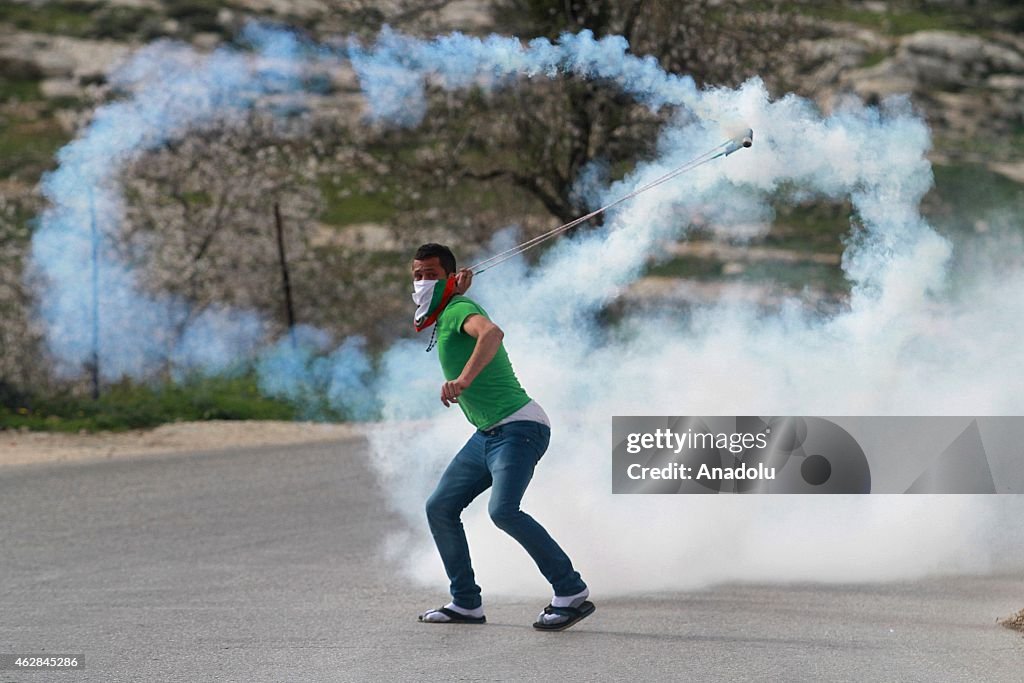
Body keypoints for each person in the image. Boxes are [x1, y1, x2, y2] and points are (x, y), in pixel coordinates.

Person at [410, 243, 594, 631]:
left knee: (503, 511)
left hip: (520, 428)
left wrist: (462, 380)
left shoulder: (460, 310)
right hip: (487, 435)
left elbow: (492, 334)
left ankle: (571, 591)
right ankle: (466, 603)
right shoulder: (448, 311)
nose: (423, 281)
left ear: (449, 276)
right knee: (440, 507)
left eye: (431, 274)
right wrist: (454, 294)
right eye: (418, 275)